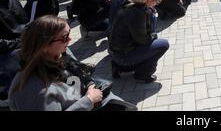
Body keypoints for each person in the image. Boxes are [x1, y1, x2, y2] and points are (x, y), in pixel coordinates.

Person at [8, 15, 136, 111]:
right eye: (64, 37)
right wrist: (88, 100)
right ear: (44, 46)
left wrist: (90, 85)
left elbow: (79, 73)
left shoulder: (61, 53)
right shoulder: (32, 89)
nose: (70, 39)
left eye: (69, 33)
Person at [109, 0, 170, 83]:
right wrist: (154, 36)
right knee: (163, 44)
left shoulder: (129, 1)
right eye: (158, 1)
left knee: (153, 38)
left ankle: (119, 67)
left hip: (116, 53)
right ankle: (142, 74)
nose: (157, 4)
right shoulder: (138, 12)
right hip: (123, 56)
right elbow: (143, 40)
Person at [0, 0, 26, 106]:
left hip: (21, 43)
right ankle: (8, 93)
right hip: (6, 51)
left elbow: (24, 23)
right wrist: (19, 43)